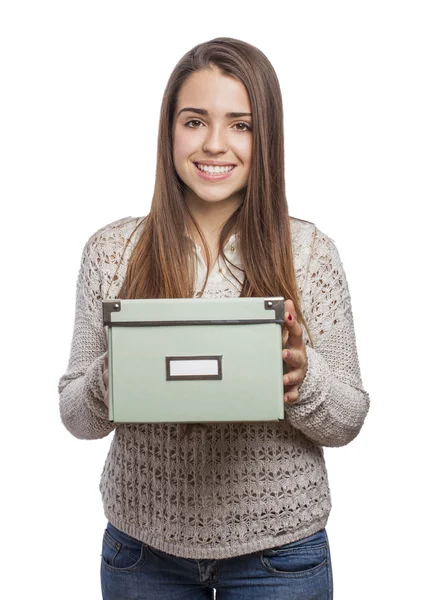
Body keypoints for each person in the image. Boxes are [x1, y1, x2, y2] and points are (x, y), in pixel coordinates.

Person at [58, 37, 370, 600]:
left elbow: (349, 419)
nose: (215, 144)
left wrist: (304, 380)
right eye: (195, 121)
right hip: (142, 553)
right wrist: (113, 375)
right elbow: (76, 416)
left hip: (281, 556)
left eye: (241, 125)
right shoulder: (111, 251)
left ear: (265, 137)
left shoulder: (310, 252)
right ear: (169, 131)